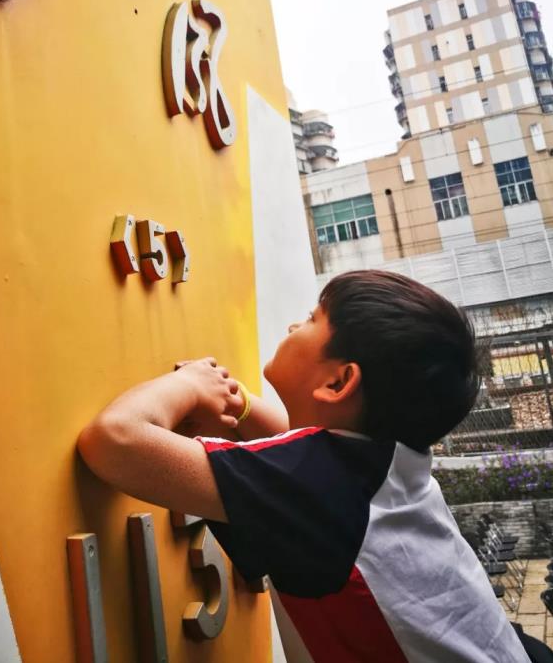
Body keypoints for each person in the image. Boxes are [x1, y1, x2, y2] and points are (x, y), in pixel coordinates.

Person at [78, 270, 549, 662]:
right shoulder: (387, 462)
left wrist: (191, 384)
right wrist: (240, 407)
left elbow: (113, 441)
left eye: (312, 319)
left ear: (339, 382)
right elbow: (306, 448)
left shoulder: (319, 488)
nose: (292, 326)